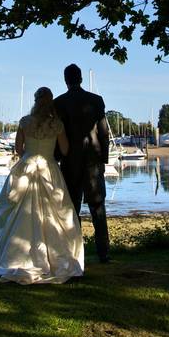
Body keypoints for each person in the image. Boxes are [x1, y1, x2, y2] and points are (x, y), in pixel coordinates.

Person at [0, 86, 84, 284]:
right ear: (51, 101)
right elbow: (66, 150)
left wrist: (30, 154)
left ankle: (12, 258)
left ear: (35, 101)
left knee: (14, 211)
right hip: (49, 168)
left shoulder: (25, 122)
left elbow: (18, 149)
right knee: (55, 213)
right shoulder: (57, 125)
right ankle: (54, 259)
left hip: (26, 166)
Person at [53, 64, 111, 263]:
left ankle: (75, 253)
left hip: (70, 162)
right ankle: (103, 253)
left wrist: (55, 158)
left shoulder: (59, 102)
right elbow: (104, 133)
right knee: (98, 208)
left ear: (65, 79)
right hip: (93, 162)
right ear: (81, 79)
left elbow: (57, 136)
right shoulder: (95, 100)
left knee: (71, 209)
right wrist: (104, 159)